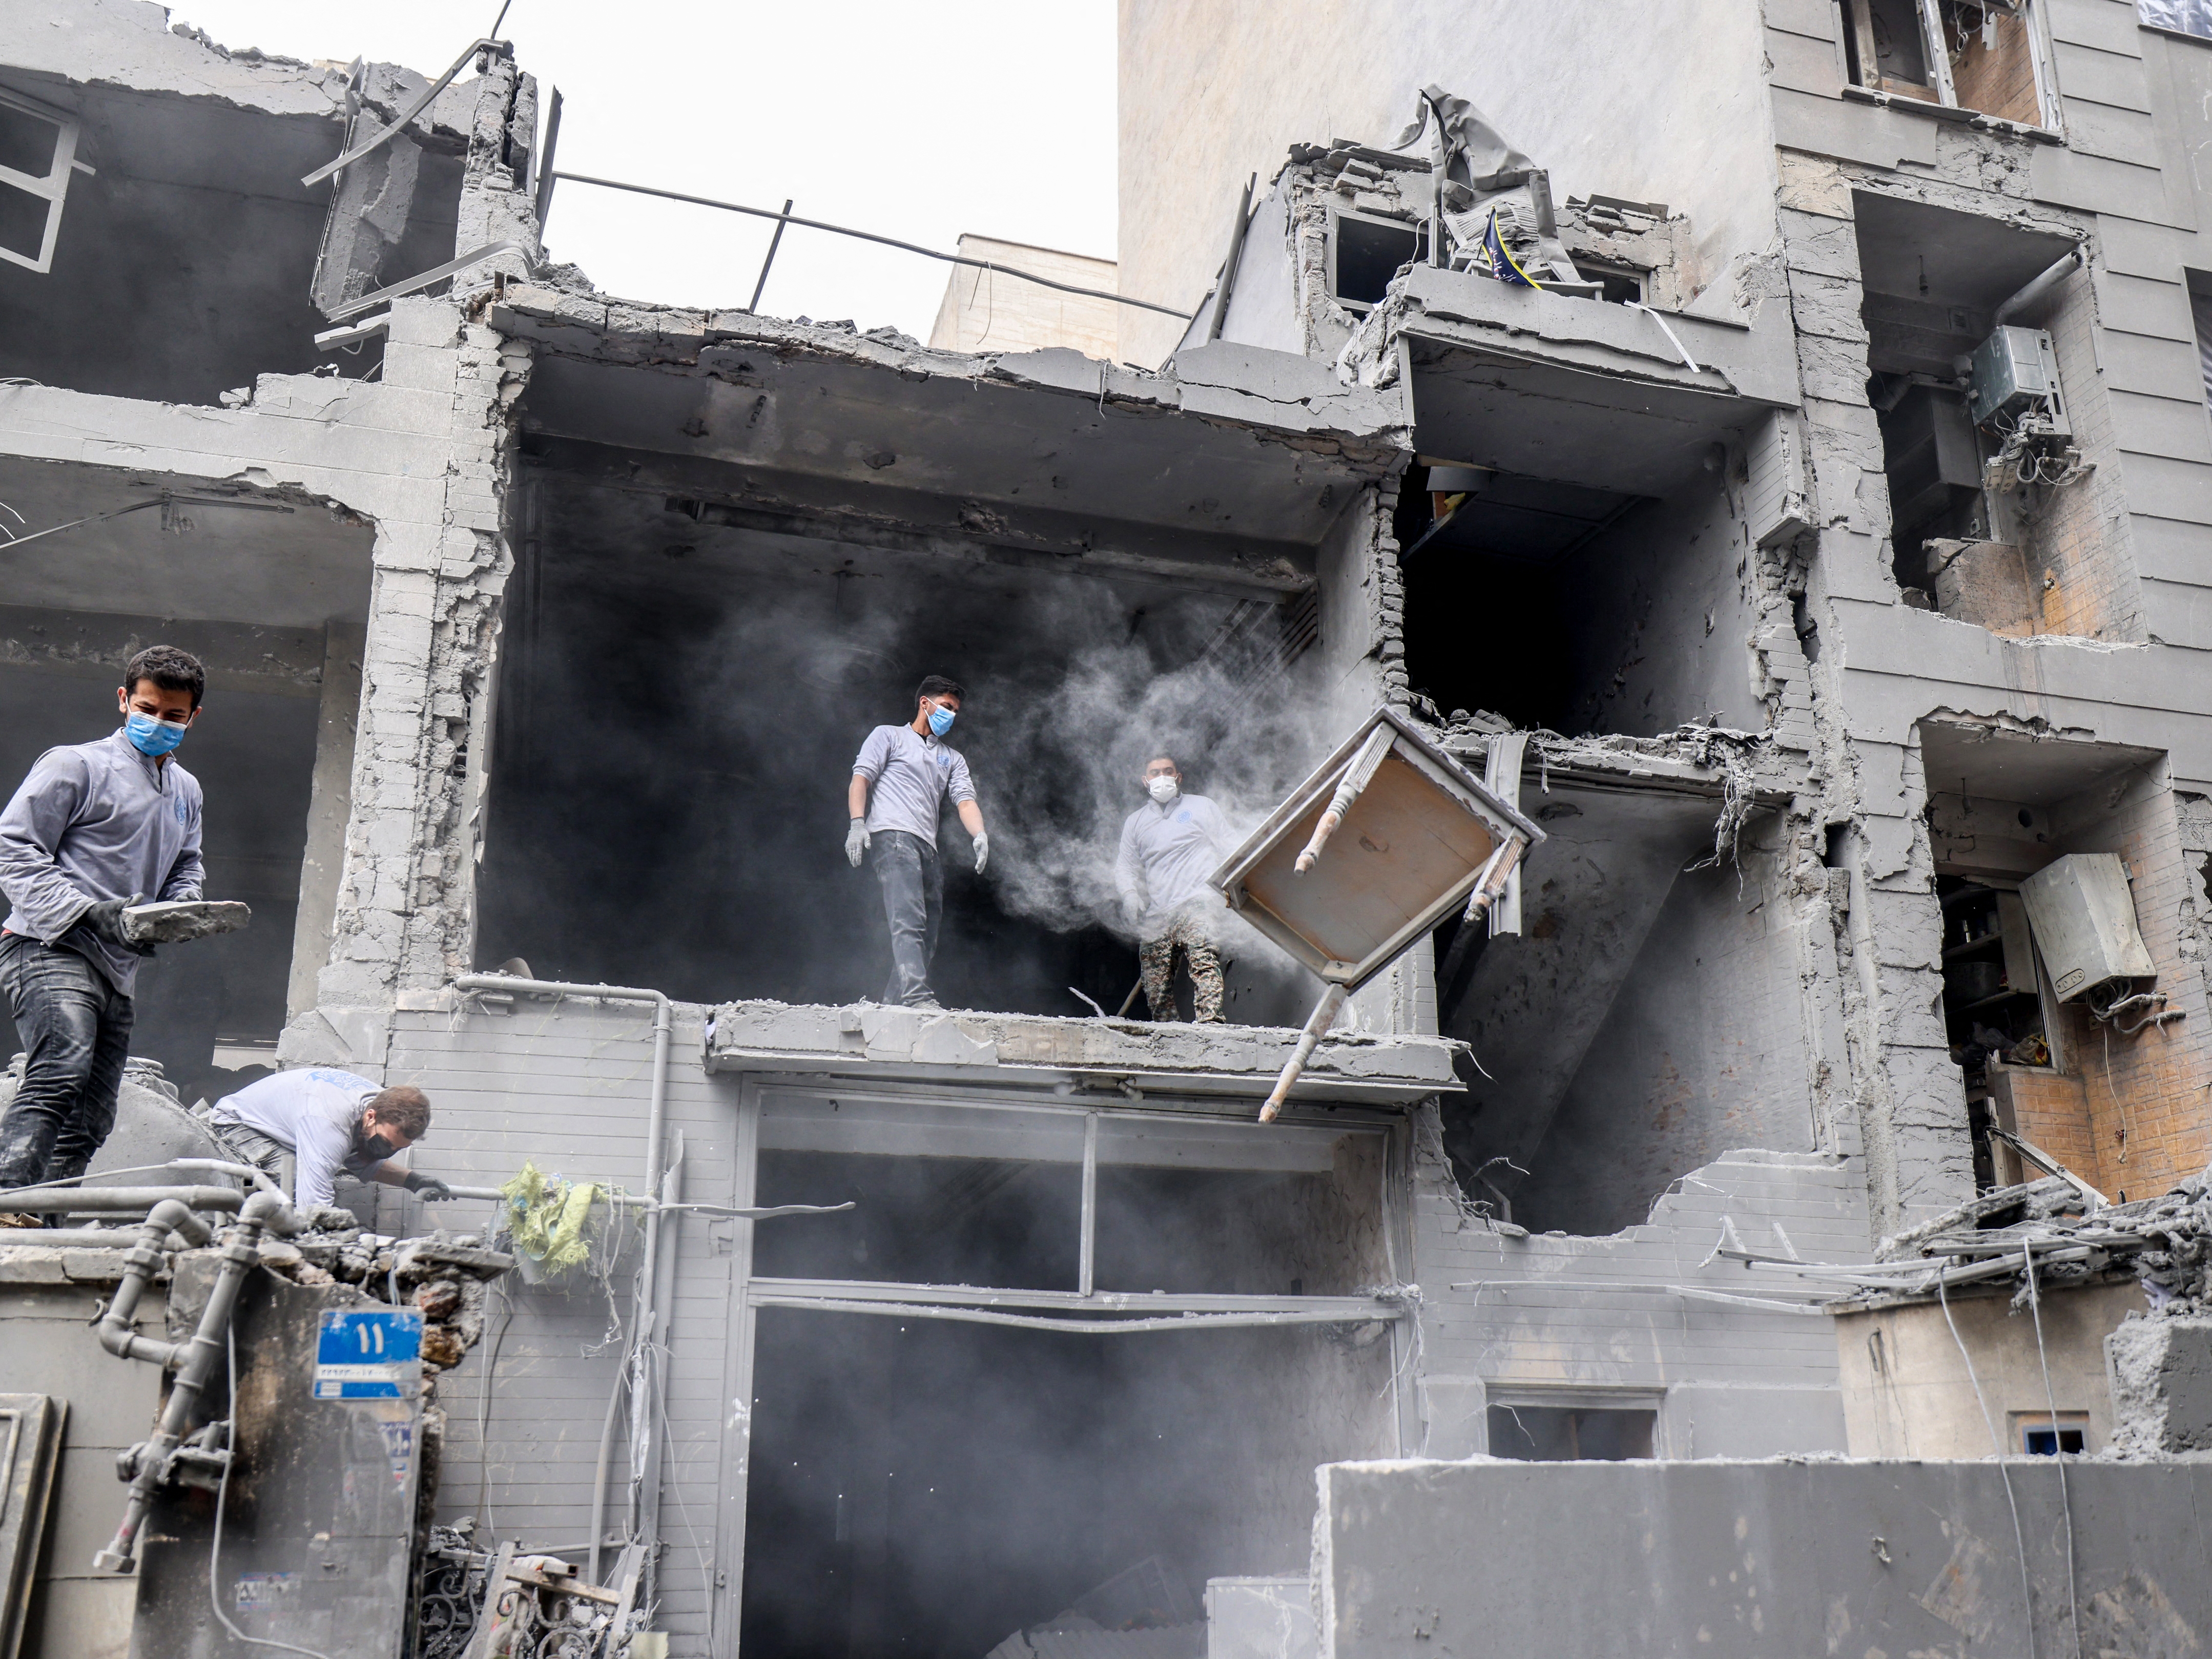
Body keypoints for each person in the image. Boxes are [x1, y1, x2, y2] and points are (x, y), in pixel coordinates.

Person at [0, 646, 210, 1201]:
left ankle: (41, 1217)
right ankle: (5, 1199)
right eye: (146, 708)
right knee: (60, 1071)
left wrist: (182, 906)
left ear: (193, 717)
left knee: (94, 1114)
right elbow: (13, 847)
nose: (157, 722)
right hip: (48, 945)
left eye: (172, 715)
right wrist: (87, 911)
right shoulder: (76, 765)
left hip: (117, 970)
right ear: (123, 700)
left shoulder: (186, 790)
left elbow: (187, 863)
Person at [846, 676, 988, 1010]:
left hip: (928, 848)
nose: (952, 715)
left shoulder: (951, 758)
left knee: (928, 936)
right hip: (893, 838)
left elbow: (965, 800)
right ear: (925, 703)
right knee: (908, 921)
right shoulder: (889, 736)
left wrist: (979, 835)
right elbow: (861, 778)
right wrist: (856, 824)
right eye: (947, 707)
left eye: (956, 711)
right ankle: (917, 998)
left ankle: (894, 1006)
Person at [208, 1068, 450, 1210]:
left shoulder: (377, 1105)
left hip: (284, 1125)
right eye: (387, 1143)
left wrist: (413, 1181)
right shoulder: (330, 1123)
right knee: (291, 1186)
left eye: (398, 1148)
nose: (388, 1151)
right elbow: (313, 1205)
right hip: (238, 1123)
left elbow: (362, 1157)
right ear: (371, 1117)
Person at [1115, 755, 1235, 1024]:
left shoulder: (1202, 807)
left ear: (1178, 777)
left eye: (1167, 771)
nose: (1162, 777)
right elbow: (1125, 866)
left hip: (1198, 901)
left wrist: (1233, 886)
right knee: (1154, 984)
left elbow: (1230, 846)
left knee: (1203, 959)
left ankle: (1210, 1025)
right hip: (1159, 911)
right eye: (1155, 773)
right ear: (1145, 781)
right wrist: (1130, 896)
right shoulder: (1136, 822)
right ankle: (1170, 1034)